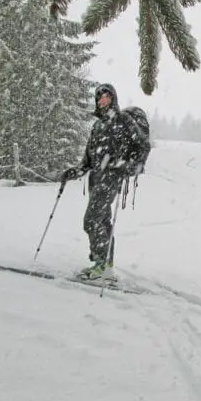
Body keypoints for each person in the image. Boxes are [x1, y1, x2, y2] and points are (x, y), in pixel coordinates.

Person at [60, 83, 151, 281]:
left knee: (91, 220)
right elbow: (88, 160)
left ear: (113, 98)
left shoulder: (123, 120)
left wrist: (130, 166)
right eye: (99, 97)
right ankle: (105, 265)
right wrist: (74, 171)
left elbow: (143, 145)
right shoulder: (97, 126)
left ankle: (101, 265)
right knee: (102, 221)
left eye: (106, 96)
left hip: (111, 177)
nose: (103, 100)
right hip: (96, 179)